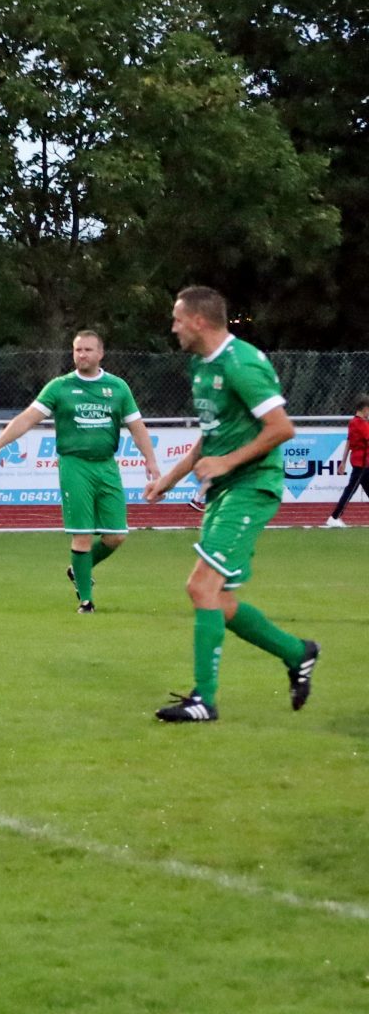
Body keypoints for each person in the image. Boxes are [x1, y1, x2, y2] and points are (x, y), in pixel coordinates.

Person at [141, 287, 318, 722]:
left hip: (253, 486)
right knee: (218, 599)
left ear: (200, 321)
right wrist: (169, 478)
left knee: (200, 586)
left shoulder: (242, 364)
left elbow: (281, 429)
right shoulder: (202, 367)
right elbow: (210, 438)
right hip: (227, 489)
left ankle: (204, 699)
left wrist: (227, 463)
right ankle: (298, 653)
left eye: (177, 319)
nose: (173, 327)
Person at [0, 330, 161, 612]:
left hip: (106, 465)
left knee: (116, 535)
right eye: (77, 350)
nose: (81, 355)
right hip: (74, 465)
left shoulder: (118, 387)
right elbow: (27, 418)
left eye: (88, 350)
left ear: (101, 354)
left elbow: (137, 427)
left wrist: (150, 459)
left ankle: (79, 570)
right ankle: (86, 601)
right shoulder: (60, 387)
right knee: (83, 533)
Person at [325, 395, 369, 528]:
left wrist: (343, 461)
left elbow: (349, 443)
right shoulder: (362, 425)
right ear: (365, 409)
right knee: (350, 490)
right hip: (362, 463)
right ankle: (334, 517)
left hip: (360, 461)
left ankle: (334, 517)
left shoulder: (353, 423)